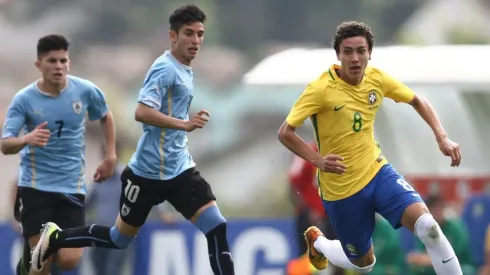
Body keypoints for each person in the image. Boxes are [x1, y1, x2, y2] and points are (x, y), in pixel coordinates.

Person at [31, 5, 235, 275]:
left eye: (200, 34)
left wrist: (182, 123)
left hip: (179, 170)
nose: (196, 41)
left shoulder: (185, 69)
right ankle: (56, 239)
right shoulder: (164, 68)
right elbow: (142, 112)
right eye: (189, 33)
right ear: (173, 36)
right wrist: (184, 124)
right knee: (118, 238)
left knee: (217, 227)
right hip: (146, 174)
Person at [277, 21, 463, 274]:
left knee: (429, 228)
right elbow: (285, 133)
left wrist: (442, 138)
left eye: (361, 50)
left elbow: (418, 100)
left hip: (377, 173)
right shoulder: (320, 89)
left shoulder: (376, 78)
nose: (355, 58)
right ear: (338, 55)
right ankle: (319, 242)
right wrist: (318, 160)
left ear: (370, 53)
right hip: (341, 190)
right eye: (348, 51)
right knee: (363, 264)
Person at [1, 34, 117, 275]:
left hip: (71, 187)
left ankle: (30, 262)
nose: (58, 66)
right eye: (52, 61)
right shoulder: (24, 99)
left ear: (69, 63)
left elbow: (105, 116)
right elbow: (6, 144)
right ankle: (31, 263)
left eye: (63, 60)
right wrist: (27, 139)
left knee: (69, 260)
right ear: (39, 65)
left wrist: (110, 157)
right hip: (36, 188)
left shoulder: (85, 91)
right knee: (42, 263)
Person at [287, 142, 344, 275]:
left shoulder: (342, 151)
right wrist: (307, 210)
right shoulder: (306, 152)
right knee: (308, 261)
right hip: (310, 218)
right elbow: (292, 185)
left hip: (333, 216)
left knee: (338, 260)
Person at [407, 195, 475, 275]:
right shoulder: (425, 228)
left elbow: (455, 256)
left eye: (439, 208)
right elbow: (420, 253)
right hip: (433, 266)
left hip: (460, 265)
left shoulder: (455, 228)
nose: (437, 212)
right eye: (433, 209)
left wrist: (426, 260)